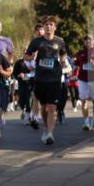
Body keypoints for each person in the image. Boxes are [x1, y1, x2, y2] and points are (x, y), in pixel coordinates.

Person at [24, 15, 68, 146]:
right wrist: (32, 56)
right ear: (43, 27)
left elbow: (63, 53)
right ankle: (46, 127)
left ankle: (50, 133)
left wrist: (63, 61)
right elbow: (26, 56)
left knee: (52, 107)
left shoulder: (60, 41)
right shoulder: (36, 41)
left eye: (51, 24)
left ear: (55, 27)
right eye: (46, 24)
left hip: (55, 78)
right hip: (40, 79)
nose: (48, 27)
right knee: (44, 108)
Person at [73, 35, 94, 130]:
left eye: (89, 39)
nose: (87, 41)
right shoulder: (80, 53)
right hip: (82, 79)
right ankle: (86, 122)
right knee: (84, 100)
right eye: (86, 40)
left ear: (93, 41)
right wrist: (74, 65)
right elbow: (76, 64)